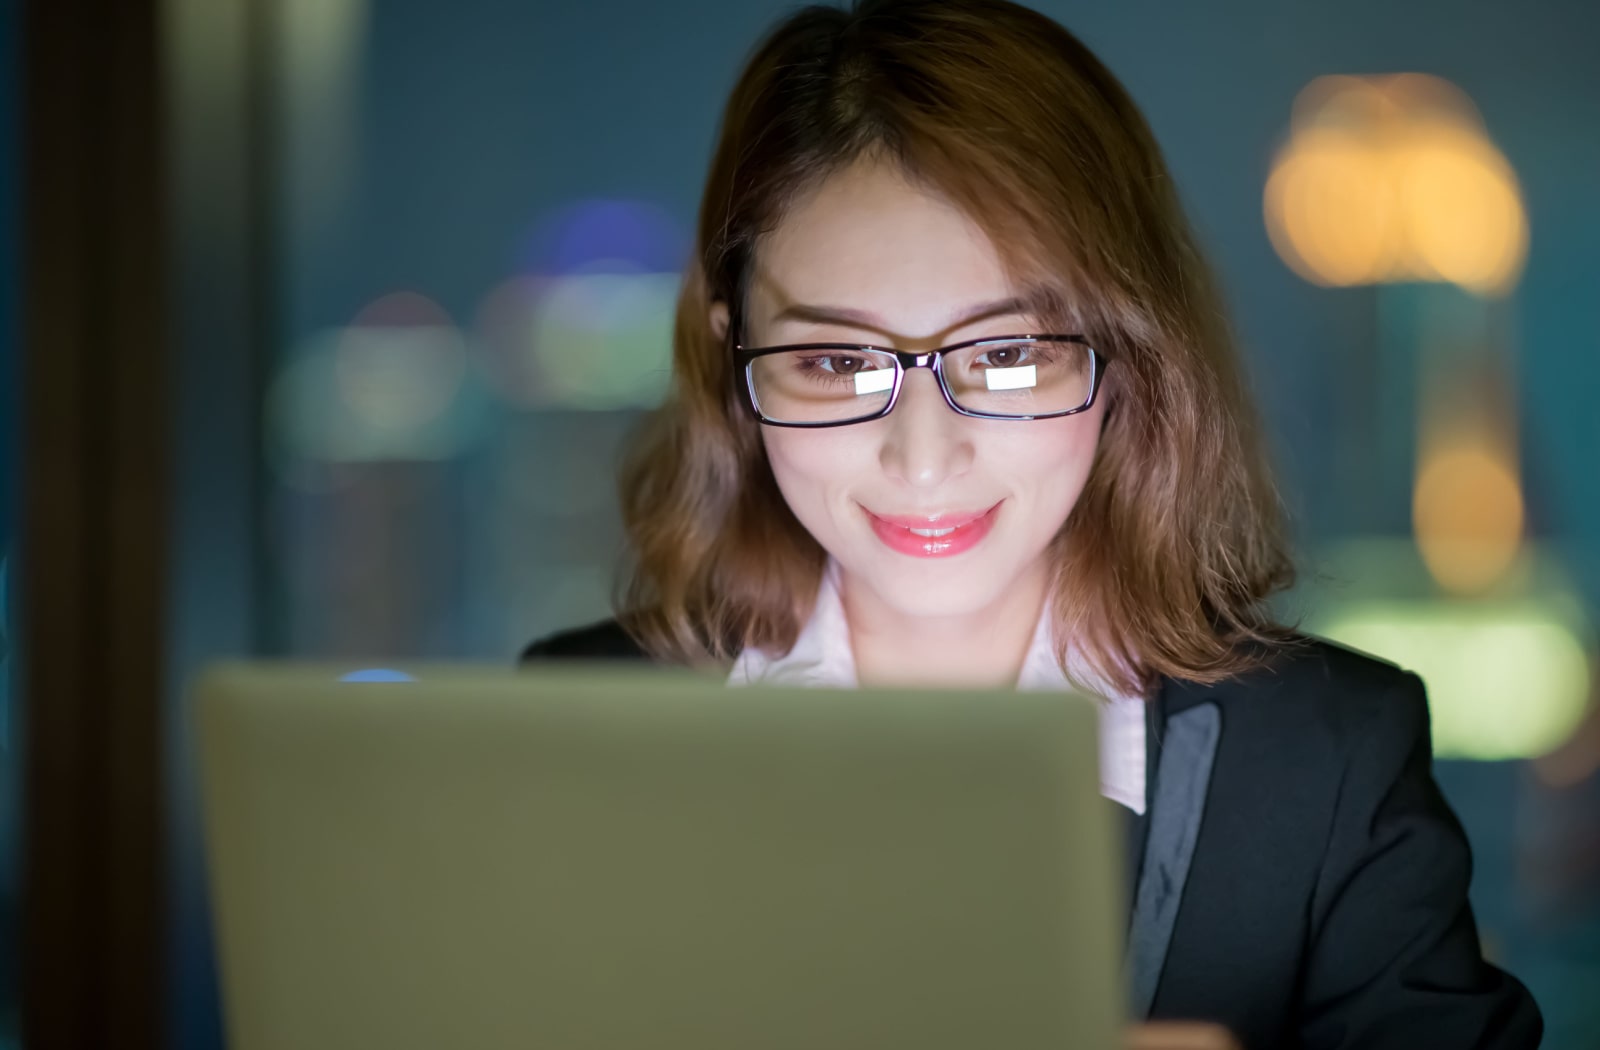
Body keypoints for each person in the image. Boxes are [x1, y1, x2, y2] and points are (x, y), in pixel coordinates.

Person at [523, 1, 1543, 1046]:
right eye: (834, 363)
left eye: (1007, 355)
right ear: (731, 354)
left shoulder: (1324, 765)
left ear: (1128, 356)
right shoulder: (568, 732)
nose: (922, 457)